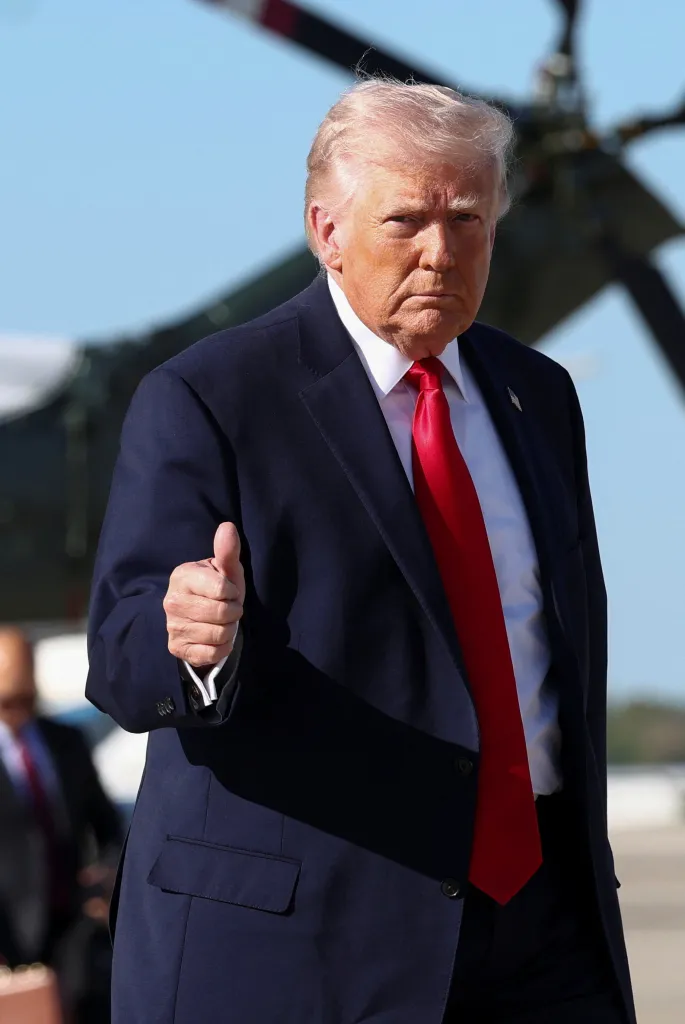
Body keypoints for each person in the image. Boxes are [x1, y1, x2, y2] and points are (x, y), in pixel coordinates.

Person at [86, 79, 636, 1024]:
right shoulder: (210, 395)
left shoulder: (536, 394)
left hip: (543, 929)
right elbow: (121, 652)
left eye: (467, 219)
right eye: (405, 220)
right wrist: (190, 640)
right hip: (312, 937)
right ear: (326, 231)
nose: (440, 251)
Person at [0, 627, 123, 978]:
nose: (18, 712)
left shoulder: (66, 742)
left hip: (73, 928)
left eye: (25, 699)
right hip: (8, 934)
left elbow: (106, 823)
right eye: (7, 702)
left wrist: (105, 875)